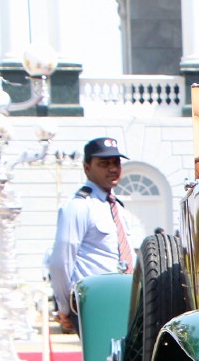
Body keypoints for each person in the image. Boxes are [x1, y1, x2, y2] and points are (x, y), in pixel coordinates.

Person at [48, 137, 142, 334]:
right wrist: (67, 308)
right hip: (96, 302)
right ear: (87, 168)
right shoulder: (79, 206)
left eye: (116, 162)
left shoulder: (117, 208)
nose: (113, 169)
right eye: (104, 164)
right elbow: (60, 262)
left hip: (126, 300)